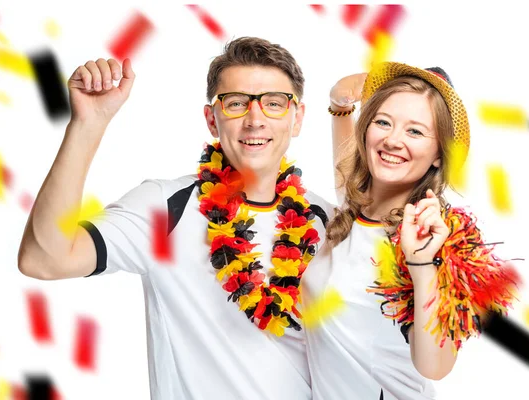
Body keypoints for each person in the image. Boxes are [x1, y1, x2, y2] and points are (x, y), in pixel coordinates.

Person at [17, 37, 333, 399]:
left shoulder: (329, 224)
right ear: (211, 120)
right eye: (236, 104)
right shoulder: (165, 209)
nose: (255, 119)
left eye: (274, 104)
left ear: (297, 119)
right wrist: (88, 125)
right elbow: (44, 259)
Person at [301, 63, 519, 399]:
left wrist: (421, 264)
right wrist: (339, 104)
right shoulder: (355, 207)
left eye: (415, 131)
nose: (392, 139)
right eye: (383, 122)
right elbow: (346, 157)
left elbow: (436, 367)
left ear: (438, 154)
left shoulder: (439, 238)